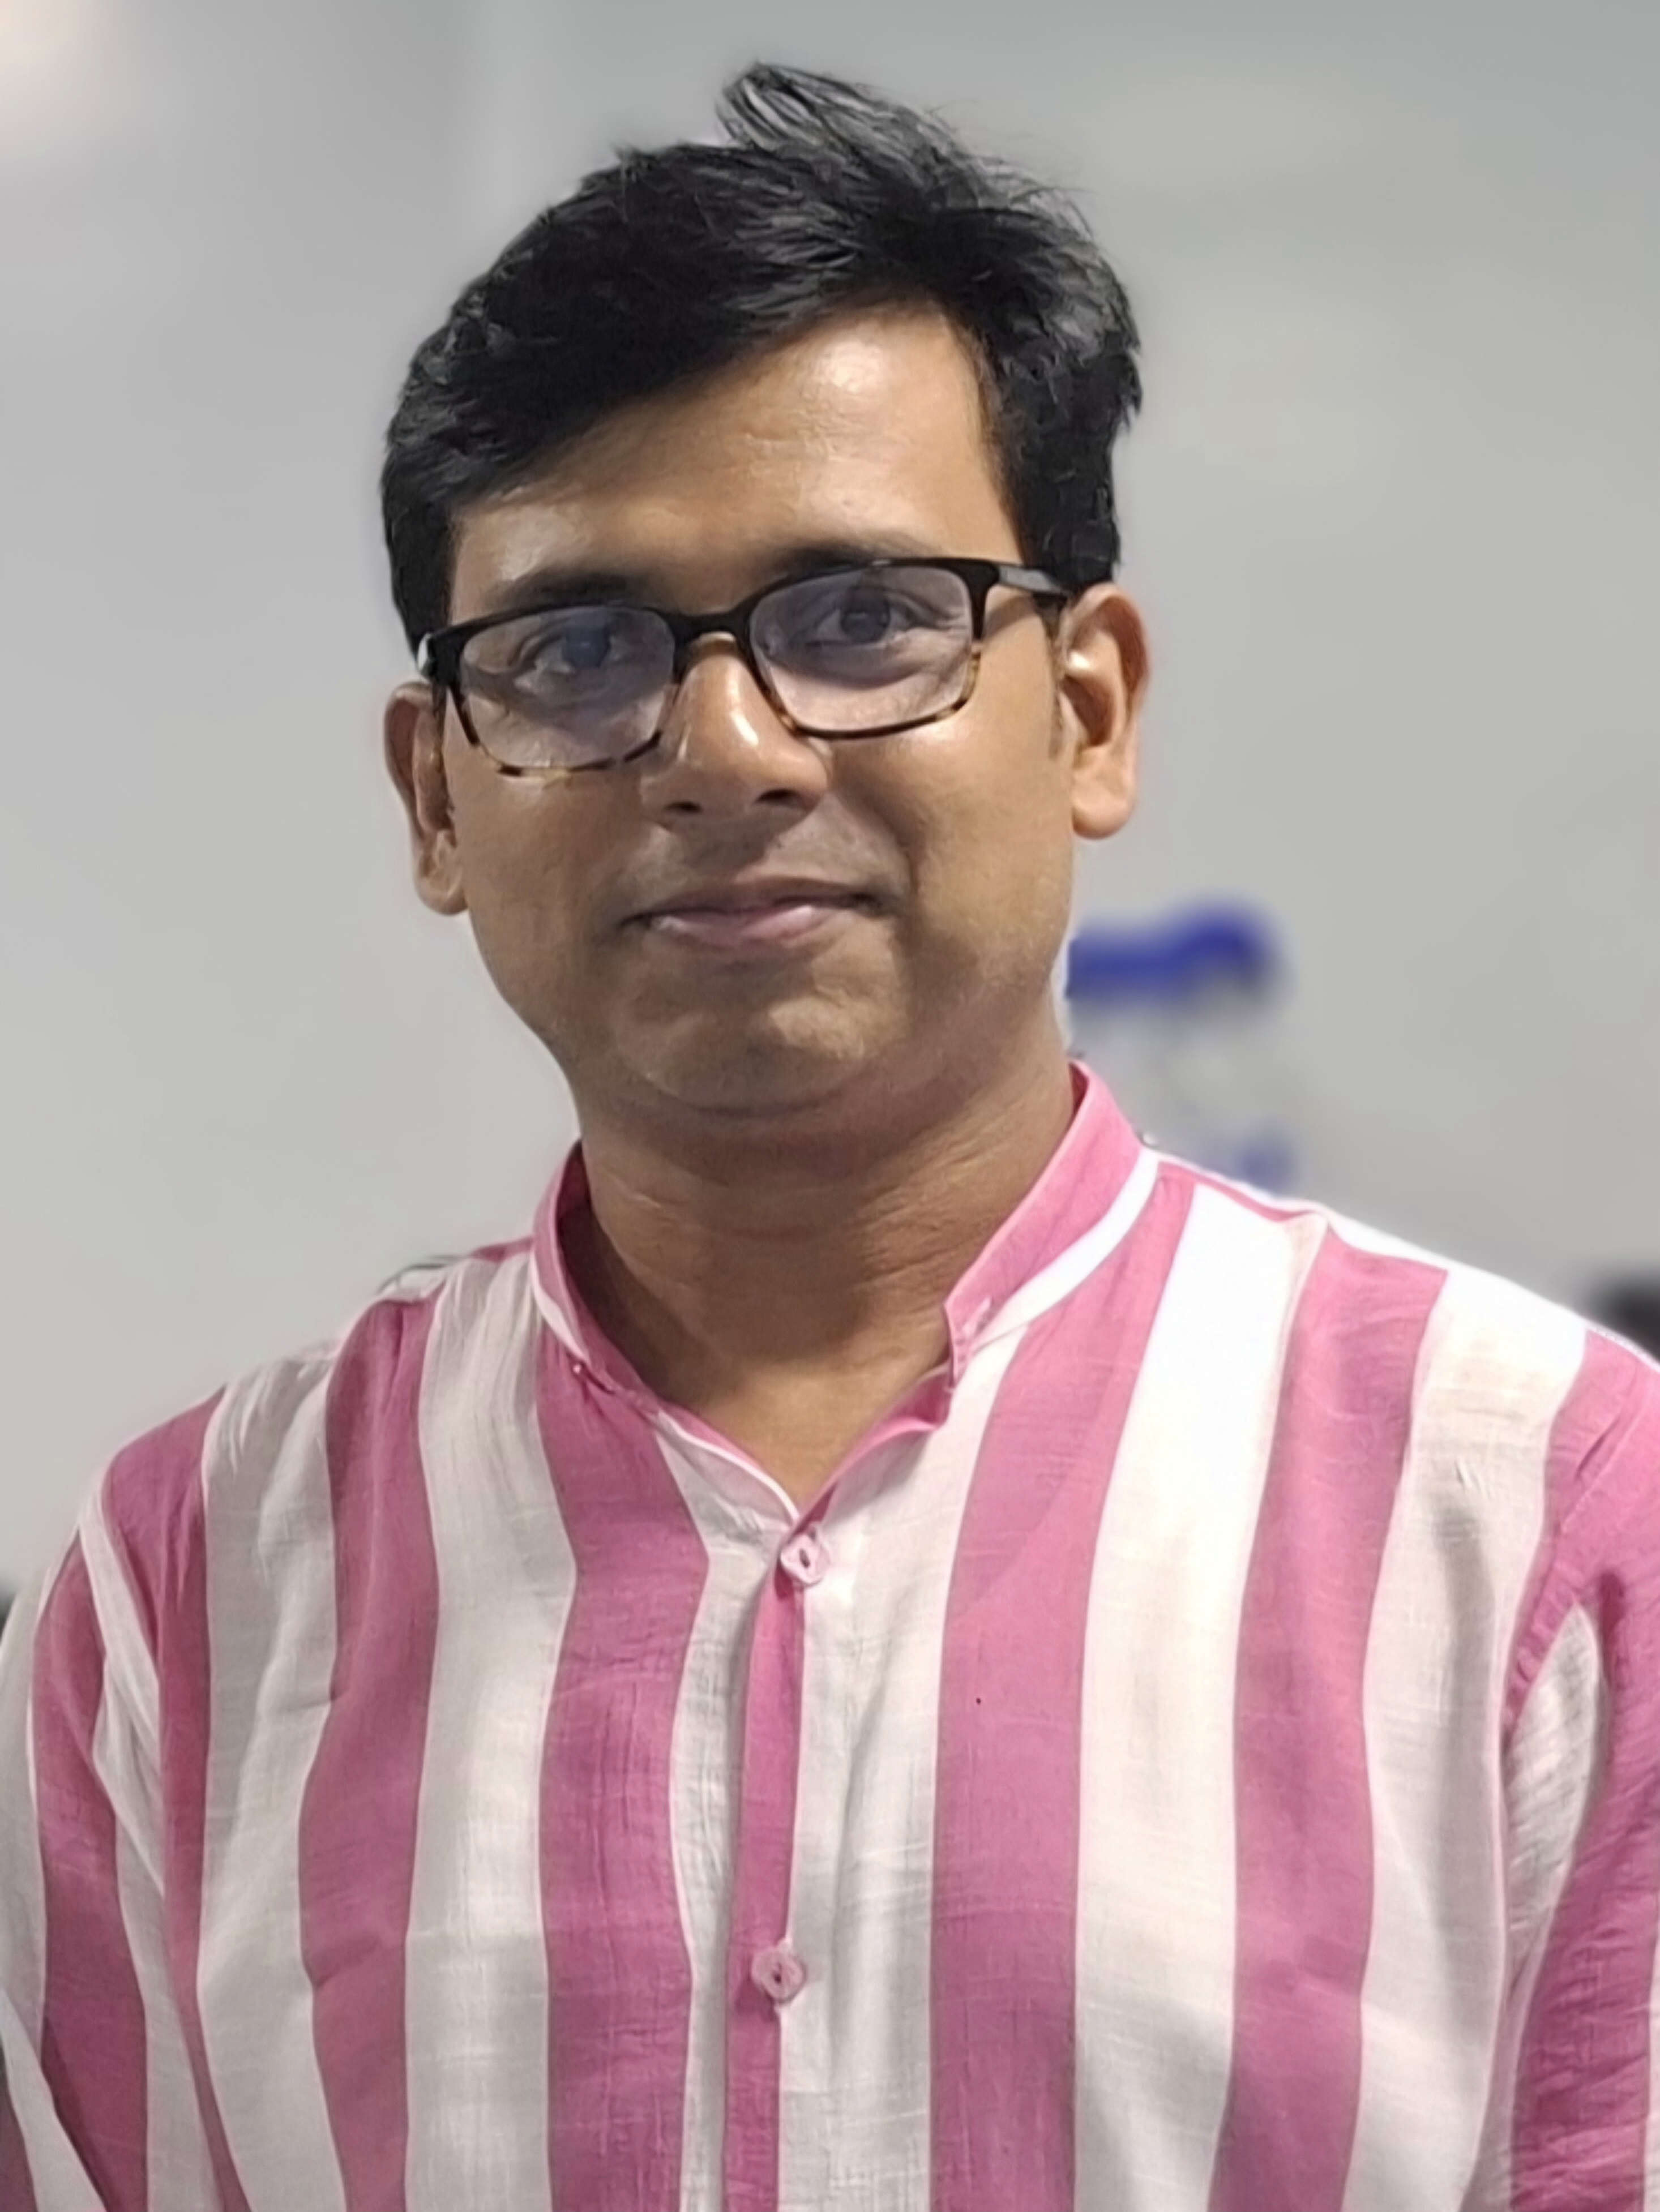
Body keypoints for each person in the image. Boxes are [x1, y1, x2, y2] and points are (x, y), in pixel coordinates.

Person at [1, 61, 1657, 2212]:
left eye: (862, 615)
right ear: (435, 792)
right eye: (575, 647)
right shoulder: (183, 1596)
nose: (725, 748)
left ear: (1086, 711)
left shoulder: (1542, 1525)